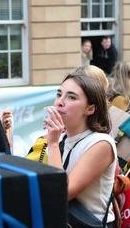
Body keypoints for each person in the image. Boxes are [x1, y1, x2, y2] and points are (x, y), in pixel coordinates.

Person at [45, 72, 117, 225]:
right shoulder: (63, 138)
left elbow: (62, 192)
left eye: (71, 97)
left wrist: (52, 145)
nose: (59, 102)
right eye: (59, 94)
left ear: (90, 109)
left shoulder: (101, 143)